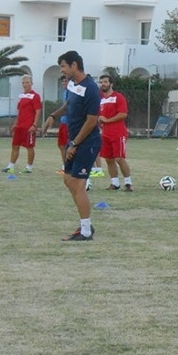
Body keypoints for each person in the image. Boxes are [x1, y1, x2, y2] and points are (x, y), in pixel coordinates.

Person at [45, 51, 101, 241]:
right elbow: (68, 105)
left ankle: (85, 230)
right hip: (74, 140)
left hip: (87, 143)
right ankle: (86, 225)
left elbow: (92, 121)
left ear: (74, 65)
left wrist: (75, 143)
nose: (62, 70)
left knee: (77, 184)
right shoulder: (72, 85)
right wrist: (53, 116)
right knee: (68, 180)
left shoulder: (91, 88)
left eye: (63, 66)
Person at [98, 74, 133, 191]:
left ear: (111, 84)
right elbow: (100, 115)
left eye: (105, 82)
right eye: (101, 82)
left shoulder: (118, 97)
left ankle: (128, 183)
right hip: (105, 133)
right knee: (108, 159)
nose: (103, 84)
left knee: (119, 158)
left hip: (118, 133)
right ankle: (115, 183)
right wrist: (99, 120)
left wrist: (107, 120)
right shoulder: (100, 99)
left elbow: (123, 114)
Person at [2, 75, 42, 174]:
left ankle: (29, 167)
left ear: (31, 83)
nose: (25, 84)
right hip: (19, 127)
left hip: (29, 127)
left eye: (27, 82)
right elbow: (19, 112)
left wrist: (34, 125)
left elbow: (38, 111)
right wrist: (15, 124)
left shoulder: (35, 96)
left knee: (29, 147)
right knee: (15, 146)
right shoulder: (22, 96)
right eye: (23, 83)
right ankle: (10, 166)